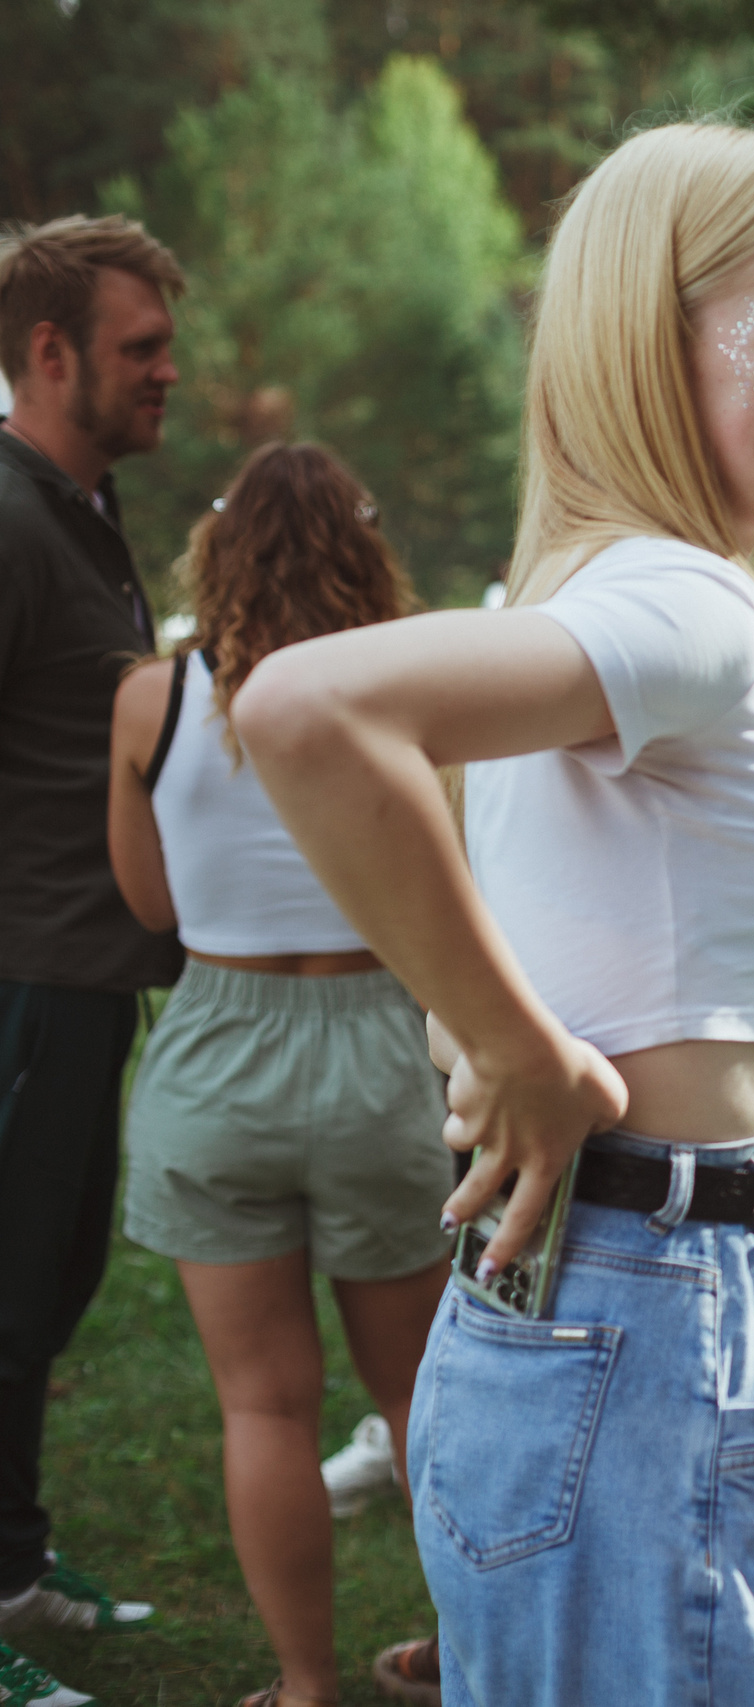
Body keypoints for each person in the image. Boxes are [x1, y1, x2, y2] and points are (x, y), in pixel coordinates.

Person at [232, 121, 754, 1707]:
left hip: (594, 1315)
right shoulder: (680, 601)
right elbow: (301, 711)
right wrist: (517, 1047)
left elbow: (522, 911)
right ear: (649, 346)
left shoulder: (599, 591)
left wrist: (491, 1025)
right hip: (654, 1317)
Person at [106, 443, 453, 1707]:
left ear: (219, 549)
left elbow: (146, 898)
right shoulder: (406, 689)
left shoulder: (154, 696)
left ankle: (306, 1686)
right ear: (364, 552)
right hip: (374, 1044)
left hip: (215, 1050)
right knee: (420, 1392)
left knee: (262, 1407)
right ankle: (467, 1650)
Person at [0, 214, 186, 1707]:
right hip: (21, 982)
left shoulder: (80, 511)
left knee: (41, 1289)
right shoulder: (6, 520)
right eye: (141, 347)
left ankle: (10, 1558)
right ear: (48, 352)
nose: (167, 371)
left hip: (80, 978)